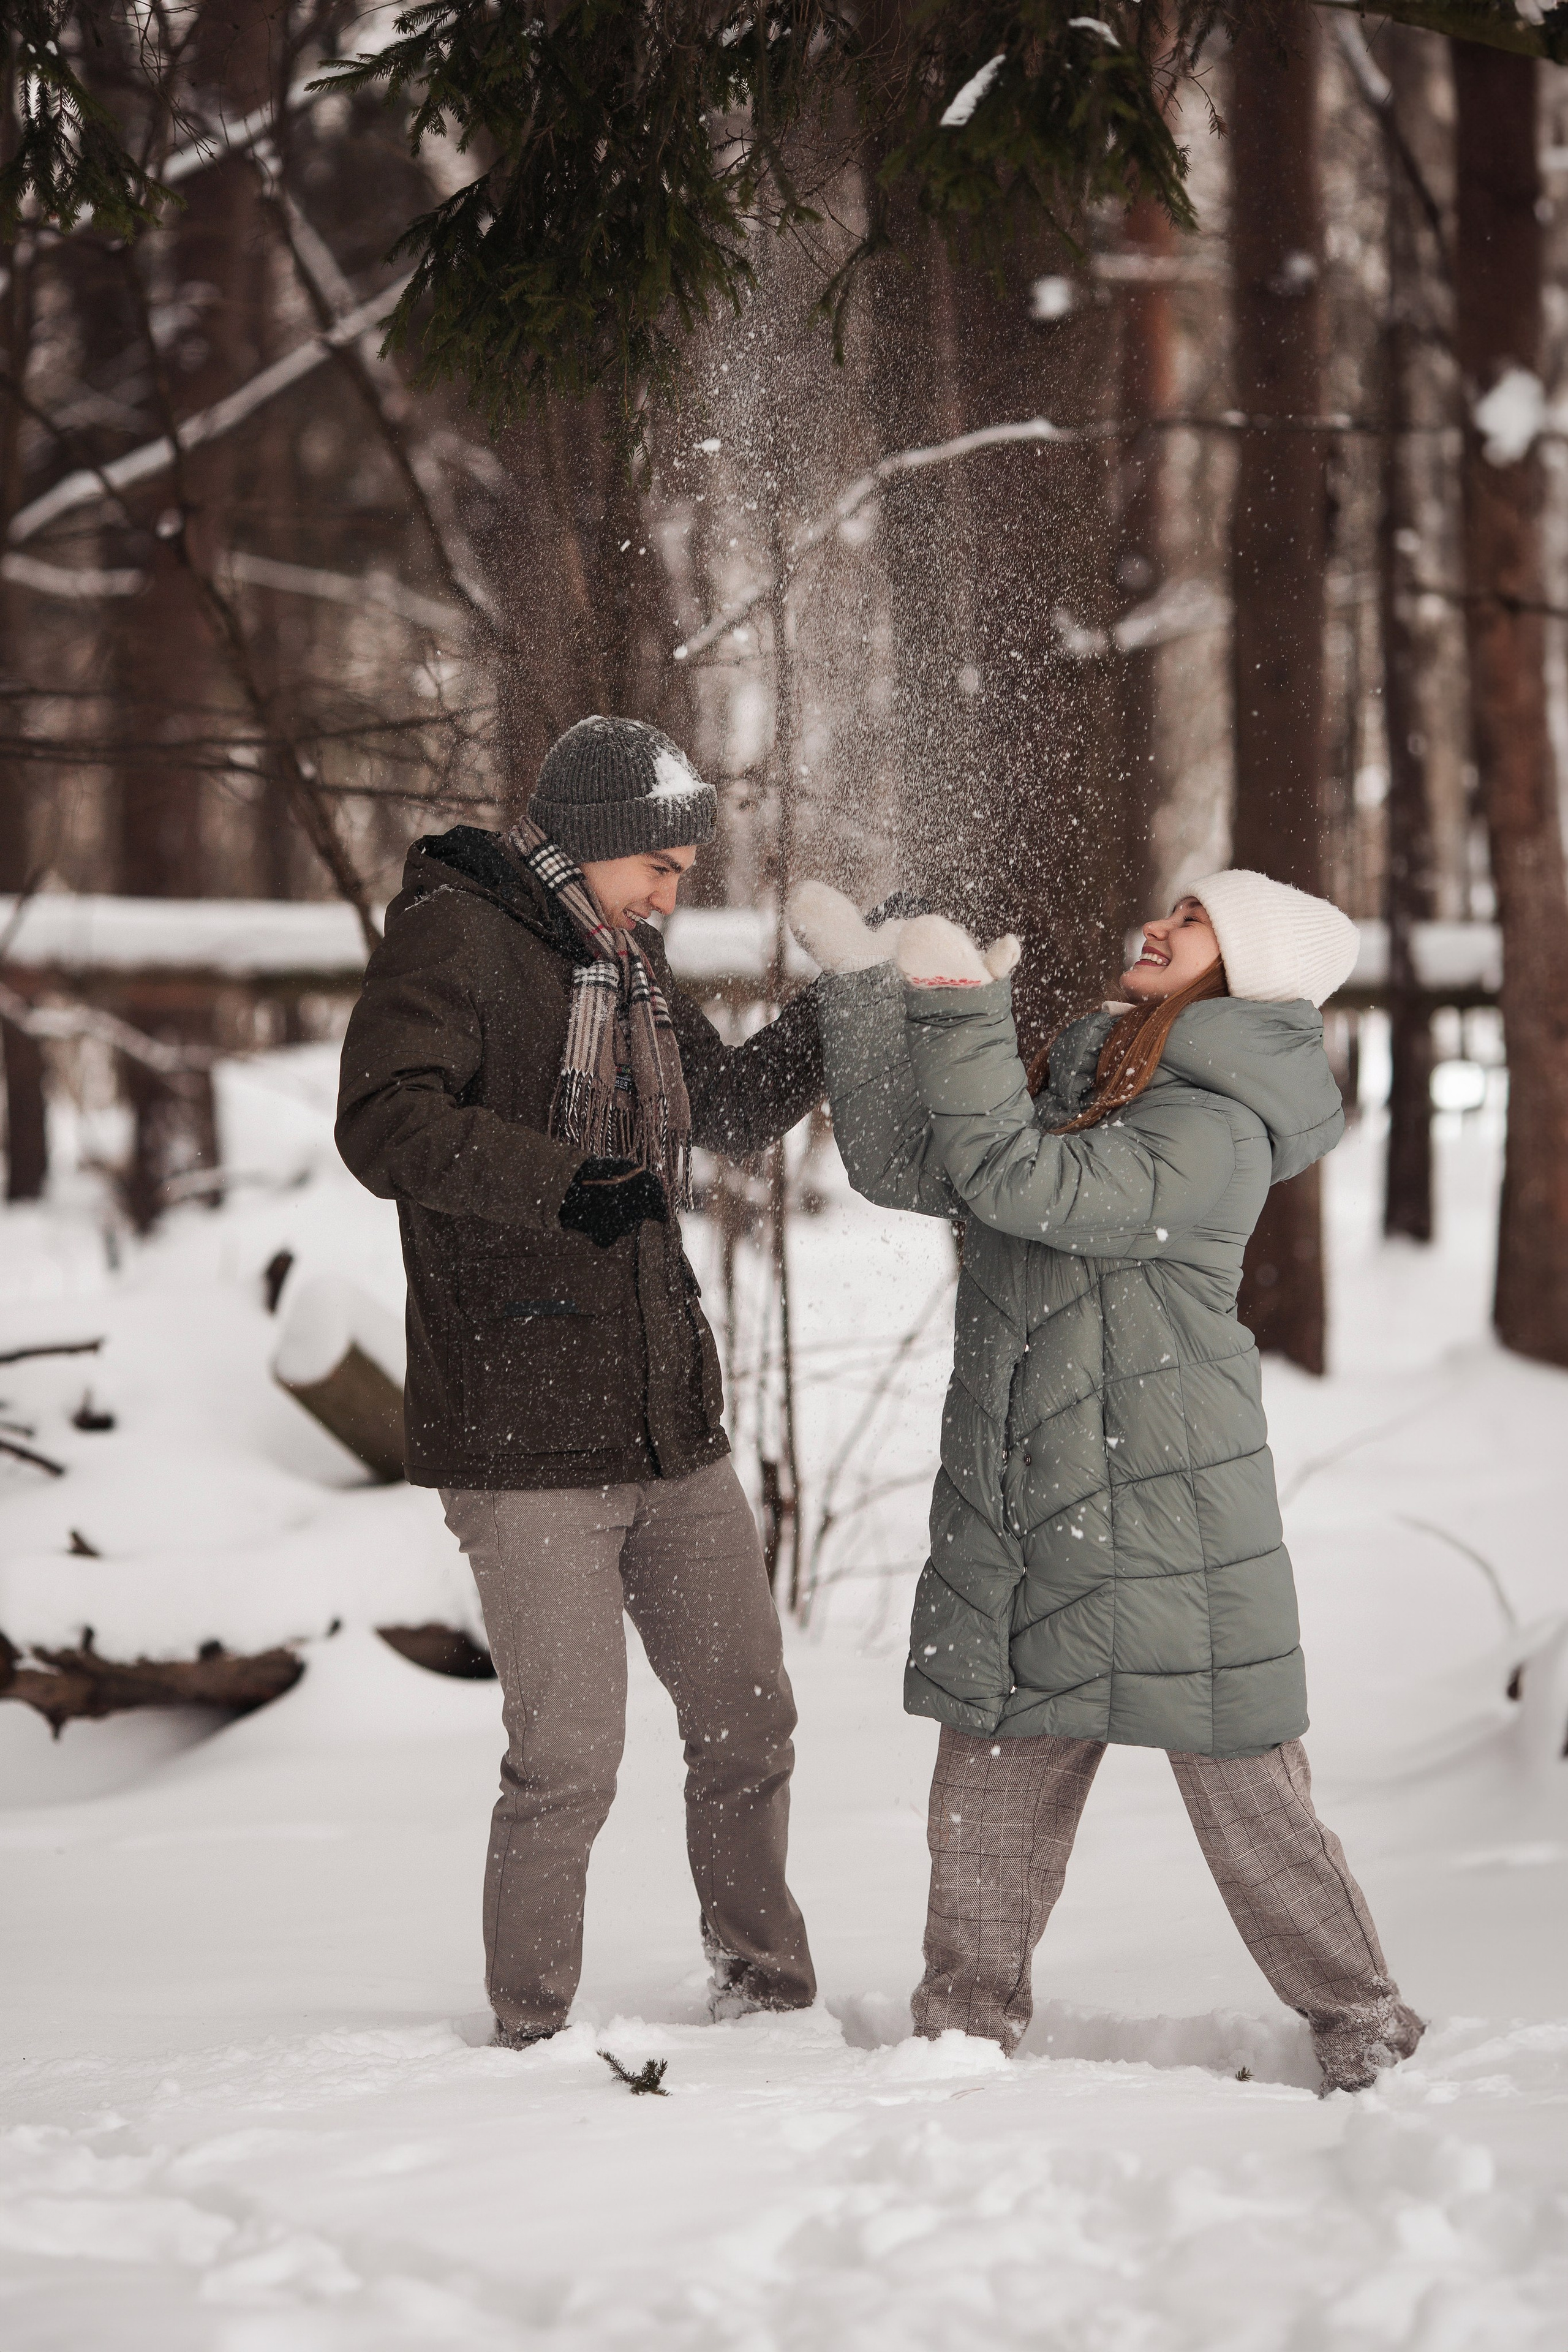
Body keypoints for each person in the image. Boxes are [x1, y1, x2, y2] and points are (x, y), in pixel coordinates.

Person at [790, 870, 1424, 2095]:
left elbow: (1031, 1187)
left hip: (1167, 1509)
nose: (1158, 921)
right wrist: (869, 997)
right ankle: (960, 2040)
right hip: (1029, 1497)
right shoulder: (1099, 1081)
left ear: (1244, 967)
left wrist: (961, 1003)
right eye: (1172, 904)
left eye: (1195, 920)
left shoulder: (1215, 1122)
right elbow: (920, 1166)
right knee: (983, 1793)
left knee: (1251, 1811)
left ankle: (1363, 2029)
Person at [337, 715, 821, 2046]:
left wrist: (842, 1009)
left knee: (745, 1722)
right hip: (519, 1427)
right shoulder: (454, 935)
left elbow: (719, 1114)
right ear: (592, 846)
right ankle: (531, 2034)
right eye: (658, 867)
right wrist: (564, 1188)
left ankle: (766, 1996)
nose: (672, 894)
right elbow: (385, 1121)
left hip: (669, 1420)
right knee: (566, 1766)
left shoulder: (632, 960)